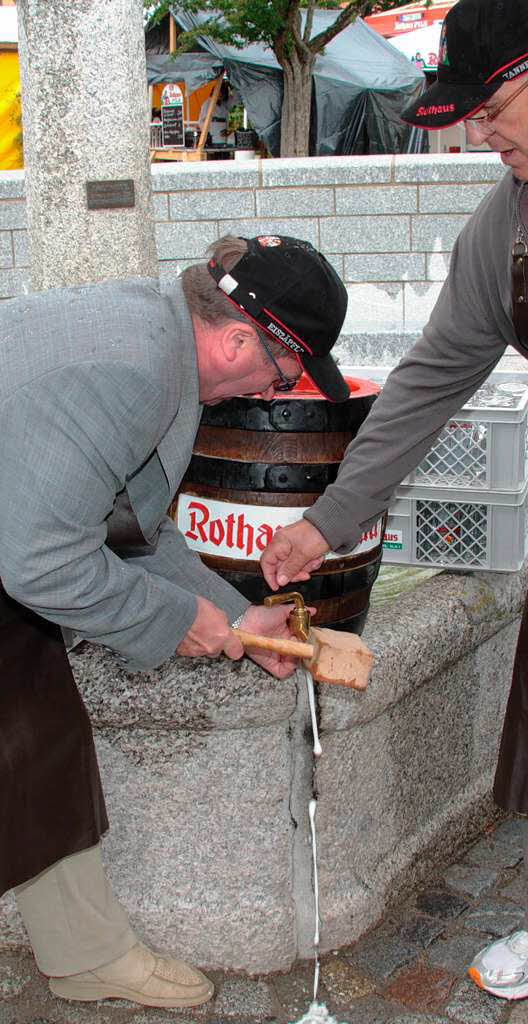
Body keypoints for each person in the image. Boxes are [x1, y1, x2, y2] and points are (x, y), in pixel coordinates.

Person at [260, 0, 528, 1002]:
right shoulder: (507, 222)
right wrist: (331, 515)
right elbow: (433, 374)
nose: (478, 136)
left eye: (487, 113)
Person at [0, 233, 349, 1008]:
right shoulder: (129, 372)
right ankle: (85, 951)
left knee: (34, 741)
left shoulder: (153, 335)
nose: (269, 392)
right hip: (14, 552)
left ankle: (84, 952)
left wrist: (238, 618)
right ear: (235, 339)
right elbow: (43, 565)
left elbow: (131, 528)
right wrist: (175, 619)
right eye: (282, 372)